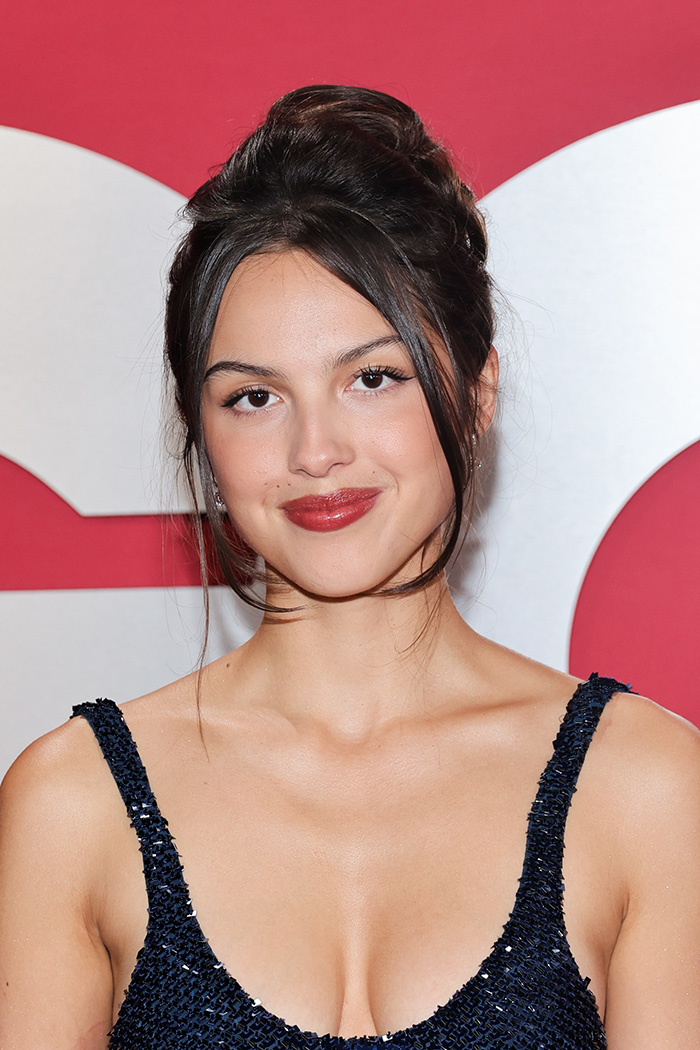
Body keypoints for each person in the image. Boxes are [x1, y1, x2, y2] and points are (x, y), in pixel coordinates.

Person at [0, 85, 698, 1050]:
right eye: (252, 398)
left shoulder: (647, 790)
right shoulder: (73, 806)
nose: (315, 450)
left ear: (476, 388)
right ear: (199, 430)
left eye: (373, 378)